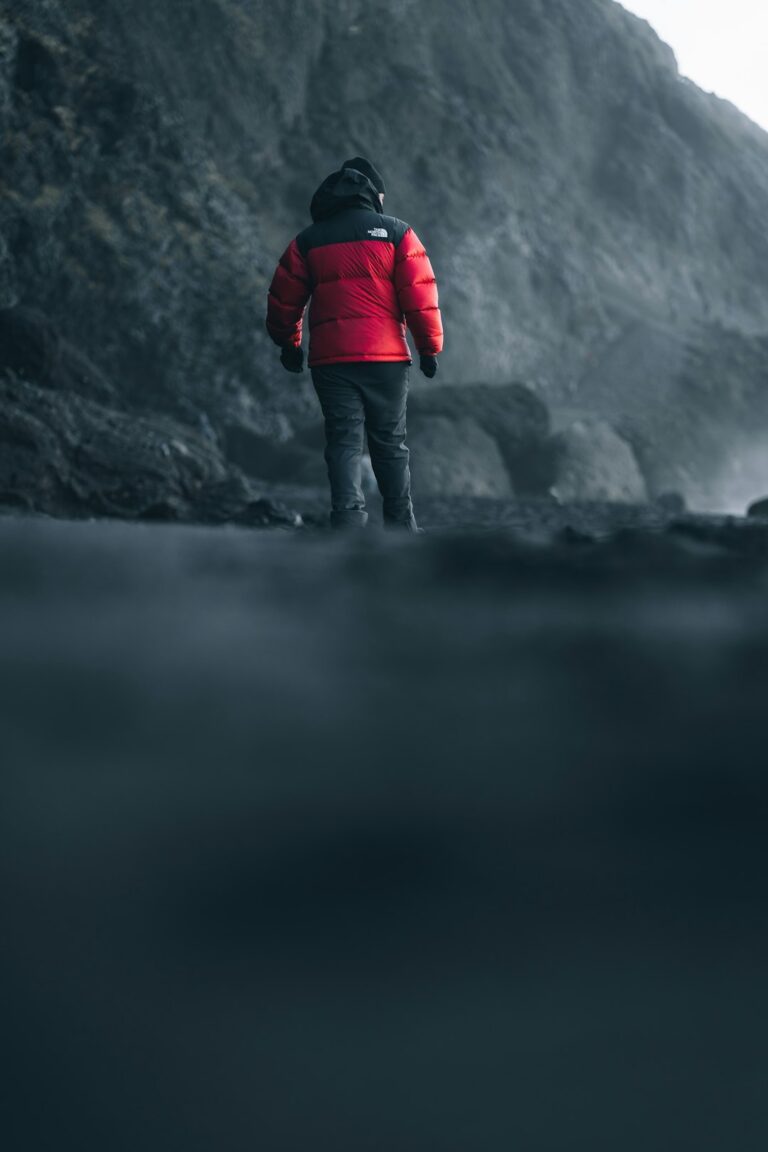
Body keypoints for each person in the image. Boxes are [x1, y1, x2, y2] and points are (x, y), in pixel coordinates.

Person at [266, 157, 443, 529]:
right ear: (373, 194)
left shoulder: (308, 241)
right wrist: (428, 348)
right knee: (390, 442)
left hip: (332, 361)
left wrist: (289, 343)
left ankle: (347, 521)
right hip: (387, 360)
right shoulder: (397, 233)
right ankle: (400, 524)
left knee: (344, 440)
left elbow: (285, 300)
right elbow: (420, 295)